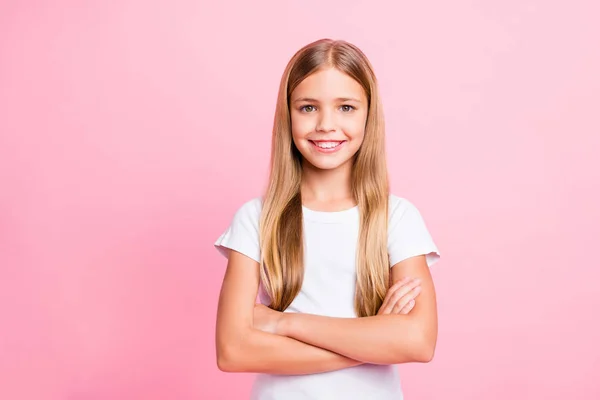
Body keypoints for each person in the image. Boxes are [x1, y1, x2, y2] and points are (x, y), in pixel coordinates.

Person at [213, 38, 441, 400]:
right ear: (288, 114)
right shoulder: (256, 219)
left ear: (370, 114)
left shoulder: (397, 219)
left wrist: (282, 323)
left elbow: (417, 342)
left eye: (346, 107)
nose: (326, 124)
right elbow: (234, 351)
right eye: (308, 108)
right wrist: (374, 340)